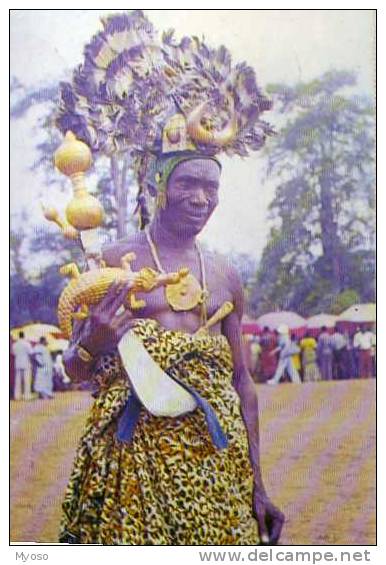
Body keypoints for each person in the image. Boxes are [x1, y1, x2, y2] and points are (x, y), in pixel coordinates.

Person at [56, 11, 283, 546]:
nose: (203, 198)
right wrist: (93, 341)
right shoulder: (113, 261)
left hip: (217, 463)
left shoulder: (226, 275)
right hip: (133, 467)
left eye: (212, 187)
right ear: (159, 185)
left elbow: (242, 384)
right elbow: (74, 371)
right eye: (189, 184)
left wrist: (257, 485)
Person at [11, 331, 33, 400]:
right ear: (24, 336)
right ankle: (27, 396)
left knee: (18, 381)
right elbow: (31, 352)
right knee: (26, 381)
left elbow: (13, 353)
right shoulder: (27, 344)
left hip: (17, 363)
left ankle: (17, 396)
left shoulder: (15, 344)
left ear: (19, 336)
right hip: (26, 363)